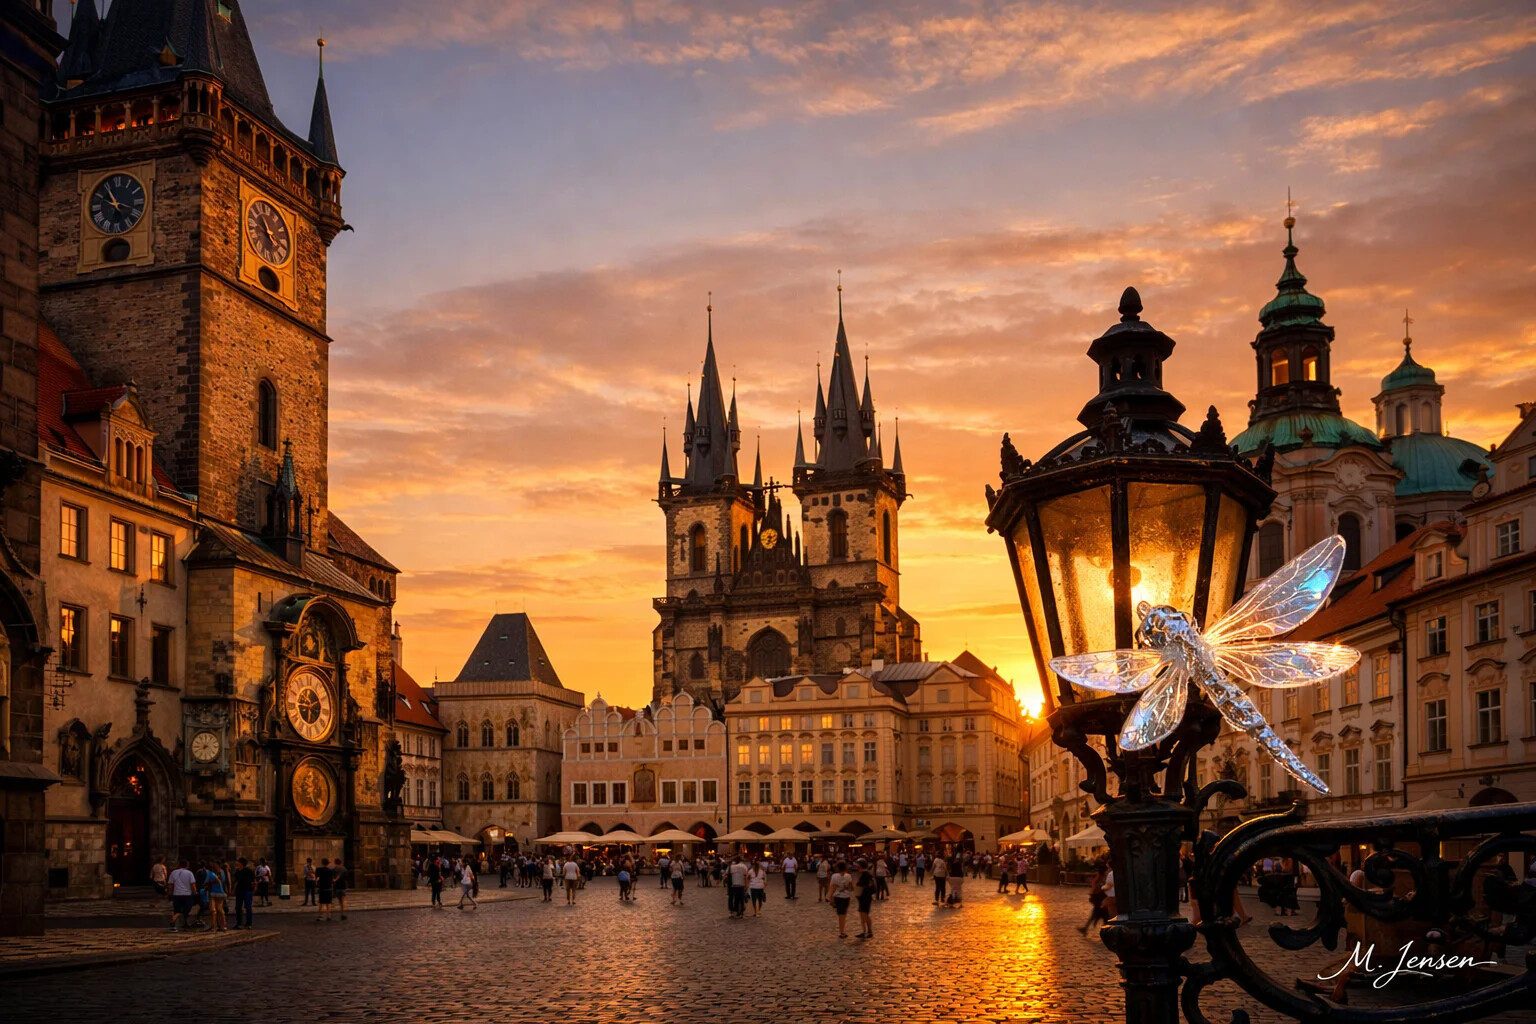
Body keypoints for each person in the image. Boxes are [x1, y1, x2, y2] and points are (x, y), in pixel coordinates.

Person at [1079, 861, 1111, 934]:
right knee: (1102, 915)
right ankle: (1087, 928)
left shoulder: (1102, 877)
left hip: (1100, 899)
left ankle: (1086, 929)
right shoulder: (1101, 877)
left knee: (1100, 915)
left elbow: (1097, 888)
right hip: (1100, 899)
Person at [168, 858, 198, 932]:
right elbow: (193, 884)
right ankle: (174, 918)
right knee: (187, 908)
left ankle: (176, 921)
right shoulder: (189, 873)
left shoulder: (173, 872)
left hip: (176, 894)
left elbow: (170, 884)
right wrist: (195, 892)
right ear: (187, 865)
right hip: (187, 894)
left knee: (177, 909)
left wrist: (170, 893)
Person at [829, 860, 854, 938]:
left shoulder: (834, 876)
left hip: (838, 897)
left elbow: (832, 888)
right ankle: (842, 930)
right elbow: (851, 888)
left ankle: (842, 931)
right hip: (846, 896)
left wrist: (830, 898)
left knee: (840, 914)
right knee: (844, 914)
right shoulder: (848, 876)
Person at [203, 859, 228, 931]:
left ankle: (215, 926)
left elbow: (206, 882)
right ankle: (223, 926)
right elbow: (223, 881)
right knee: (220, 909)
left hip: (213, 892)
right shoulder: (221, 872)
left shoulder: (210, 873)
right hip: (220, 892)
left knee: (214, 910)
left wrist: (208, 884)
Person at [855, 858, 876, 938]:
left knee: (865, 914)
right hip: (861, 897)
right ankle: (864, 931)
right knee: (862, 914)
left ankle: (869, 931)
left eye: (857, 865)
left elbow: (870, 886)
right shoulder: (863, 874)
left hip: (865, 897)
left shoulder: (866, 875)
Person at [233, 857, 255, 929]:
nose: (237, 864)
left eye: (238, 863)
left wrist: (253, 889)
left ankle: (248, 923)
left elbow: (253, 881)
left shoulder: (248, 871)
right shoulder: (238, 872)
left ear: (241, 863)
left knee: (248, 907)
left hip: (247, 890)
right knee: (238, 907)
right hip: (240, 891)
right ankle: (240, 923)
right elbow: (236, 882)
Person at [315, 857, 334, 922]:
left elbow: (317, 879)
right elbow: (331, 881)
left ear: (322, 863)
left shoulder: (318, 870)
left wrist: (317, 883)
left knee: (321, 903)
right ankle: (328, 916)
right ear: (328, 863)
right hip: (328, 888)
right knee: (328, 903)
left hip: (322, 888)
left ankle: (320, 916)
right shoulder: (330, 871)